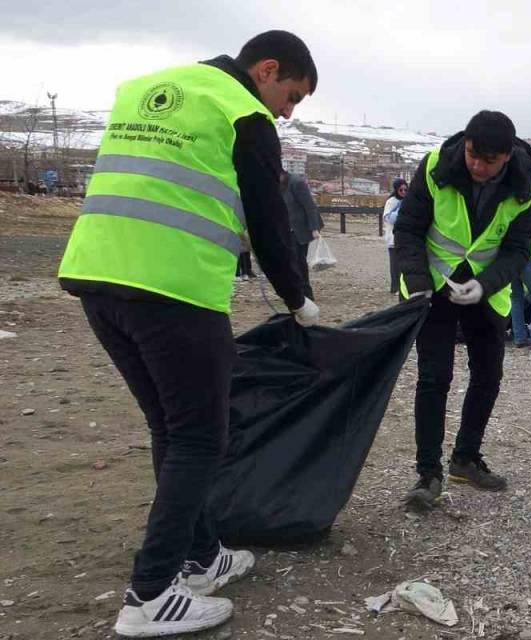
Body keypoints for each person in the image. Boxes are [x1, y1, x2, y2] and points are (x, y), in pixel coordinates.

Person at [56, 31, 319, 637]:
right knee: (200, 437)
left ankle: (202, 557)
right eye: (292, 94)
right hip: (173, 289)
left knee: (170, 428)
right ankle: (150, 594)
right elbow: (268, 221)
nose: (288, 110)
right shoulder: (244, 113)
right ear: (267, 69)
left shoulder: (143, 89)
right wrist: (299, 299)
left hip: (96, 276)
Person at [394, 110, 531, 509]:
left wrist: (486, 284)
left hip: (486, 290)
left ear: (507, 157)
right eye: (473, 155)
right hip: (433, 286)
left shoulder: (526, 185)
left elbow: (518, 249)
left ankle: (465, 458)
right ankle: (428, 473)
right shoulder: (435, 167)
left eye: (488, 160)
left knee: (488, 375)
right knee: (433, 378)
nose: (477, 165)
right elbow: (407, 231)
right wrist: (420, 283)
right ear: (466, 145)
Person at [283, 171, 323, 299]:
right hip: (286, 229)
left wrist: (314, 228)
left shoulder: (297, 182)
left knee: (299, 261)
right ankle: (294, 291)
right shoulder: (276, 184)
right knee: (289, 261)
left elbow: (310, 206)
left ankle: (306, 293)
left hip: (301, 229)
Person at [383, 178, 408, 293]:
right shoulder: (391, 201)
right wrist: (400, 212)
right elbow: (388, 218)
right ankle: (395, 287)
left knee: (406, 263)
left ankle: (404, 287)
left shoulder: (409, 200)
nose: (403, 192)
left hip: (406, 237)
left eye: (405, 190)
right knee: (395, 265)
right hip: (393, 238)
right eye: (401, 190)